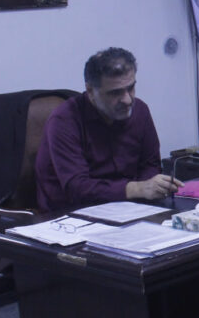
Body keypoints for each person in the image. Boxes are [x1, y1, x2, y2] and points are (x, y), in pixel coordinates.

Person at [35, 47, 181, 211]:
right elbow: (77, 188)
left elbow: (150, 165)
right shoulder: (64, 120)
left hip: (130, 208)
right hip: (71, 213)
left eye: (131, 88)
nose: (127, 100)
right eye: (115, 93)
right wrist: (137, 189)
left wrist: (153, 187)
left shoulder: (140, 111)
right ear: (90, 91)